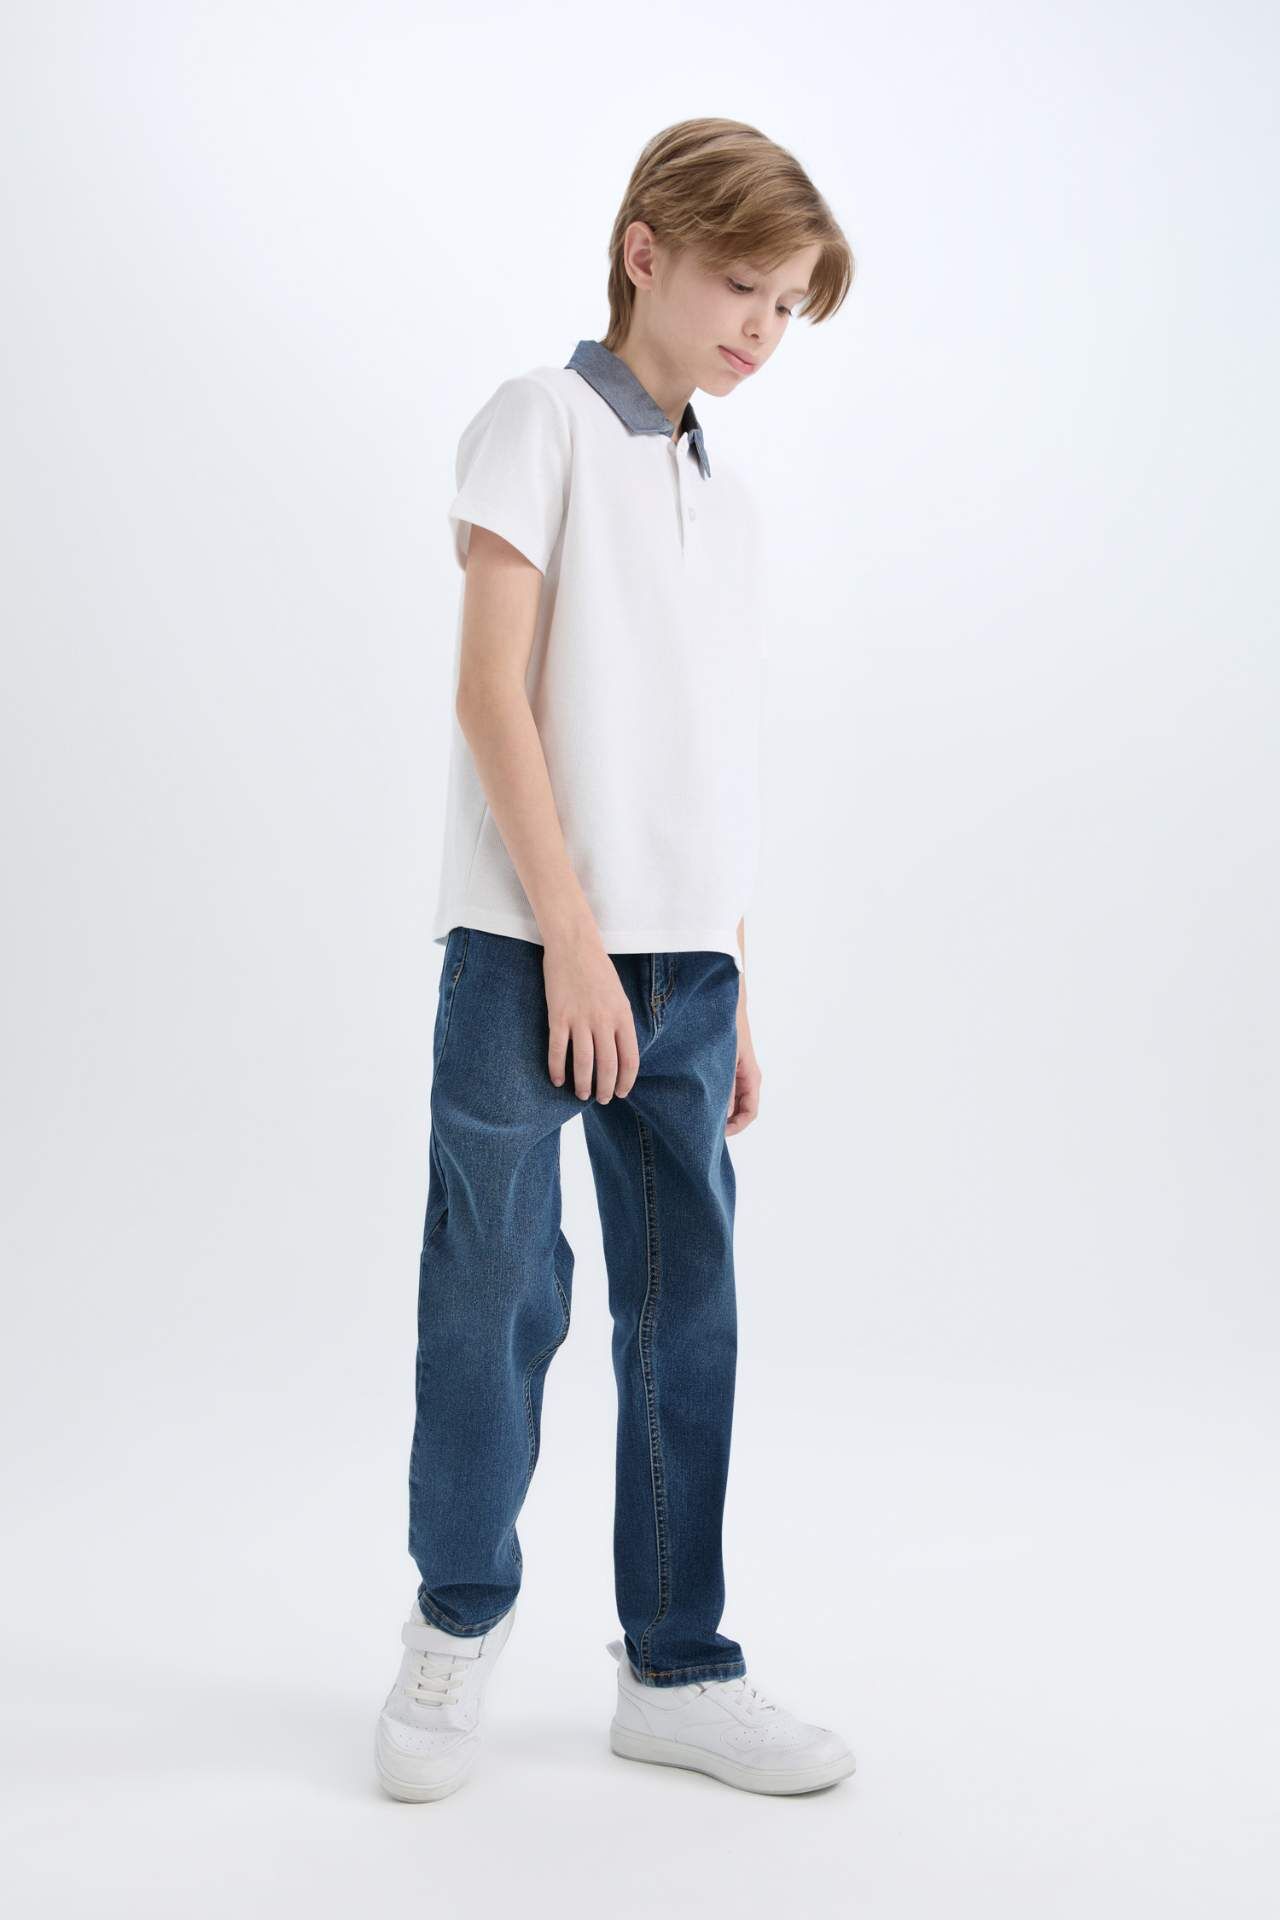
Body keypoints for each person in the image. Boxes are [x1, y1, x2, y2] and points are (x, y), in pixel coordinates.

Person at [374, 117, 857, 1801]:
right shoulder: (542, 423)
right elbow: (490, 693)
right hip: (530, 949)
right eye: (742, 287)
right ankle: (454, 1621)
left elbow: (703, 763)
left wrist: (732, 983)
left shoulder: (722, 491)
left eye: (788, 308)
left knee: (686, 1314)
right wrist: (574, 947)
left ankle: (678, 1666)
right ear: (645, 251)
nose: (762, 330)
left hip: (686, 969)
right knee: (496, 1297)